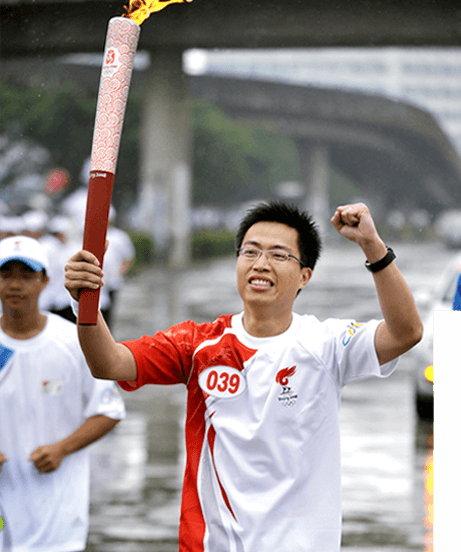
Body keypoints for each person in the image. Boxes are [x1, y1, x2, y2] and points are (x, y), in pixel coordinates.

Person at [64, 201, 423, 552]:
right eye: (250, 252)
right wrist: (85, 302)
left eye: (279, 255)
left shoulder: (326, 344)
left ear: (304, 276)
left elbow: (406, 333)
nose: (260, 263)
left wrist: (373, 247)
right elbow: (109, 363)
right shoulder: (198, 345)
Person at [0, 235, 126, 552]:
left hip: (58, 512)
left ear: (45, 280)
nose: (15, 285)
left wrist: (62, 449)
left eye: (26, 275)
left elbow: (109, 410)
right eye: (5, 275)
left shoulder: (73, 341)